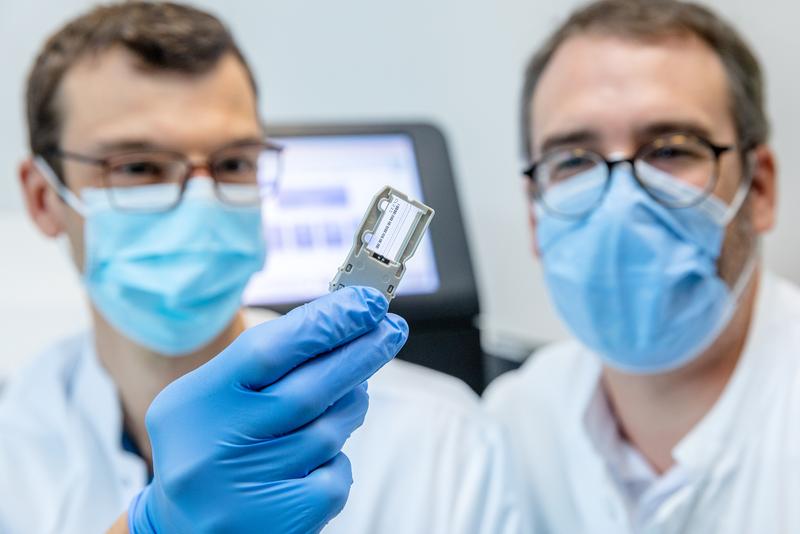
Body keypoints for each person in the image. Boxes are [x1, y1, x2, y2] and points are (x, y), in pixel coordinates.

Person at [3, 2, 523, 533]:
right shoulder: (13, 447)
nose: (201, 203)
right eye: (138, 167)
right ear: (43, 199)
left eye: (232, 163)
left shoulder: (438, 441)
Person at [484, 0, 800, 532]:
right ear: (535, 216)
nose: (621, 199)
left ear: (761, 189)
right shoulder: (514, 425)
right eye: (575, 161)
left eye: (672, 149)